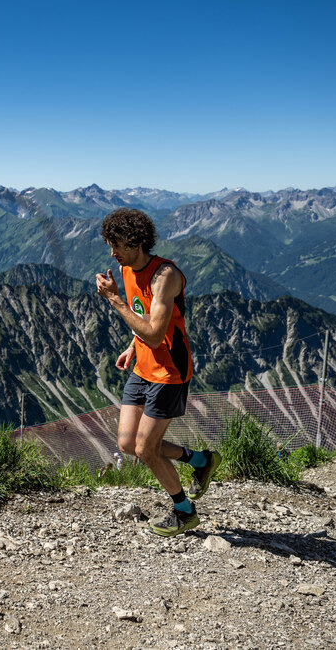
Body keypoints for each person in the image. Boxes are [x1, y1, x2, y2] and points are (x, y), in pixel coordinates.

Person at [96, 208, 221, 538]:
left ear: (135, 241)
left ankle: (184, 511)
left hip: (169, 373)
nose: (113, 253)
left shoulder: (165, 276)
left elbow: (154, 333)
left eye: (117, 245)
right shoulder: (126, 269)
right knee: (128, 443)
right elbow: (144, 318)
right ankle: (200, 461)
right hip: (142, 366)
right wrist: (131, 345)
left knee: (146, 450)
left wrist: (114, 301)